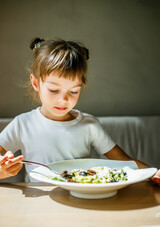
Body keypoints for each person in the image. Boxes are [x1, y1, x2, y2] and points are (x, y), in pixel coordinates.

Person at [0, 37, 159, 185]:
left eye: (74, 92)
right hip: (39, 208)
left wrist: (154, 173)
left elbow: (124, 161)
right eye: (54, 90)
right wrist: (2, 170)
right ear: (36, 83)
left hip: (82, 204)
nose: (64, 100)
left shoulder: (89, 125)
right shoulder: (23, 124)